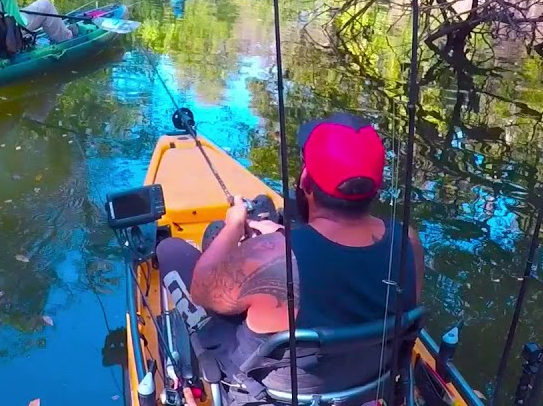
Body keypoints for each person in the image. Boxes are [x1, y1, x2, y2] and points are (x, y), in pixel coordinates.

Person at [154, 113, 424, 396]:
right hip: (367, 385)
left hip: (262, 389)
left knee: (170, 250)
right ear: (375, 187)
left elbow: (202, 290)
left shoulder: (272, 258)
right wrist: (279, 236)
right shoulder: (408, 241)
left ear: (305, 181)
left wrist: (234, 226)